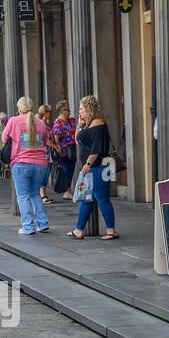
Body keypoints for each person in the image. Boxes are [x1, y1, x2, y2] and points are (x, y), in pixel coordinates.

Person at [67, 95, 118, 241]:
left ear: (88, 109)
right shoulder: (87, 123)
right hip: (91, 167)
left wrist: (88, 164)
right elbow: (77, 140)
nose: (79, 112)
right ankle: (78, 229)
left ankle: (111, 230)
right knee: (86, 199)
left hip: (99, 166)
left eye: (81, 109)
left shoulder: (98, 124)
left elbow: (96, 149)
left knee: (102, 199)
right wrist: (79, 124)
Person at [1, 95, 51, 235]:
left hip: (21, 163)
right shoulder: (40, 123)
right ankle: (43, 223)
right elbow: (46, 140)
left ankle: (28, 226)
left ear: (18, 109)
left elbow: (4, 138)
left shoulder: (14, 121)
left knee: (22, 196)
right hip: (40, 164)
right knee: (35, 193)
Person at [50, 101, 76, 199]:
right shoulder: (58, 122)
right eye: (65, 109)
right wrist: (58, 148)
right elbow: (56, 137)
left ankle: (68, 189)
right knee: (67, 169)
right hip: (64, 149)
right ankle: (67, 190)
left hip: (73, 147)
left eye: (68, 109)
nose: (68, 111)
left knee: (71, 168)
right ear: (61, 111)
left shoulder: (71, 120)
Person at [36, 104, 56, 207]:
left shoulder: (46, 124)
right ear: (46, 113)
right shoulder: (40, 124)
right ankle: (42, 194)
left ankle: (43, 194)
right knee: (44, 174)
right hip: (44, 152)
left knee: (47, 172)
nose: (50, 114)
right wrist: (56, 147)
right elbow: (45, 140)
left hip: (48, 152)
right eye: (49, 112)